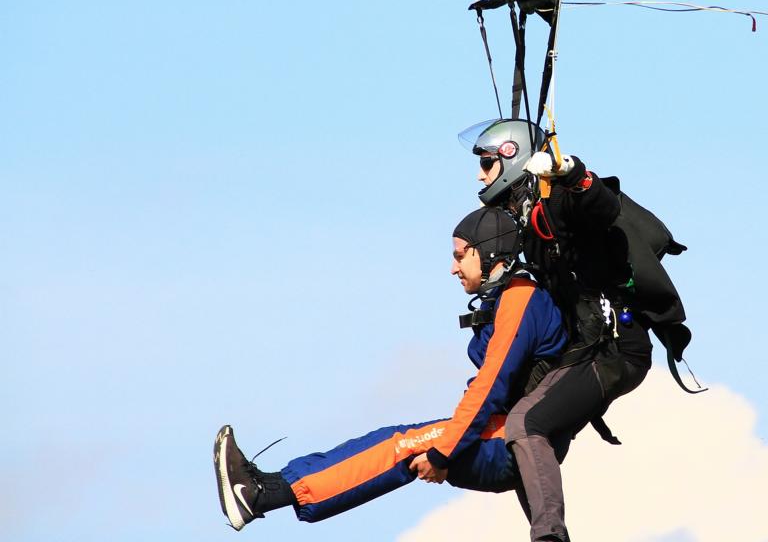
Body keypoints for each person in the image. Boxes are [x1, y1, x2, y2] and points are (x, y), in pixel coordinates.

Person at [212, 206, 566, 531]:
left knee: (400, 445)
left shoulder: (520, 297)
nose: (453, 268)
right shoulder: (509, 297)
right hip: (502, 433)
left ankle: (262, 493)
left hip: (507, 440)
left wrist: (443, 452)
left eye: (460, 256)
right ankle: (266, 490)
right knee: (396, 439)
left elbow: (490, 387)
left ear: (487, 252)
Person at [460, 118, 669, 542]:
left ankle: (549, 537)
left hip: (614, 351)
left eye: (486, 163)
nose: (480, 176)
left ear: (511, 158)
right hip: (581, 350)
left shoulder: (556, 199)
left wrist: (572, 173)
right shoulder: (524, 216)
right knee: (516, 434)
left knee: (525, 423)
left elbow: (601, 208)